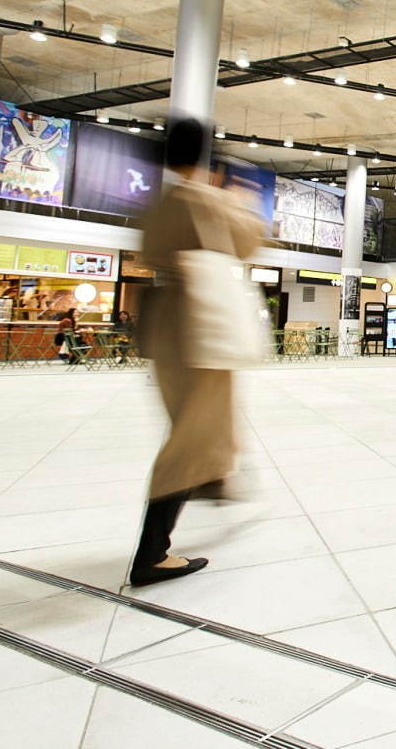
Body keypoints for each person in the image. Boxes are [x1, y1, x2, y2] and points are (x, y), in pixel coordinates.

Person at [132, 117, 264, 586]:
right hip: (203, 327)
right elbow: (249, 238)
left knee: (195, 421)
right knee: (193, 433)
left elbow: (147, 253)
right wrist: (241, 202)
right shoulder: (202, 197)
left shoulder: (160, 202)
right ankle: (153, 553)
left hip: (168, 327)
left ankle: (213, 479)